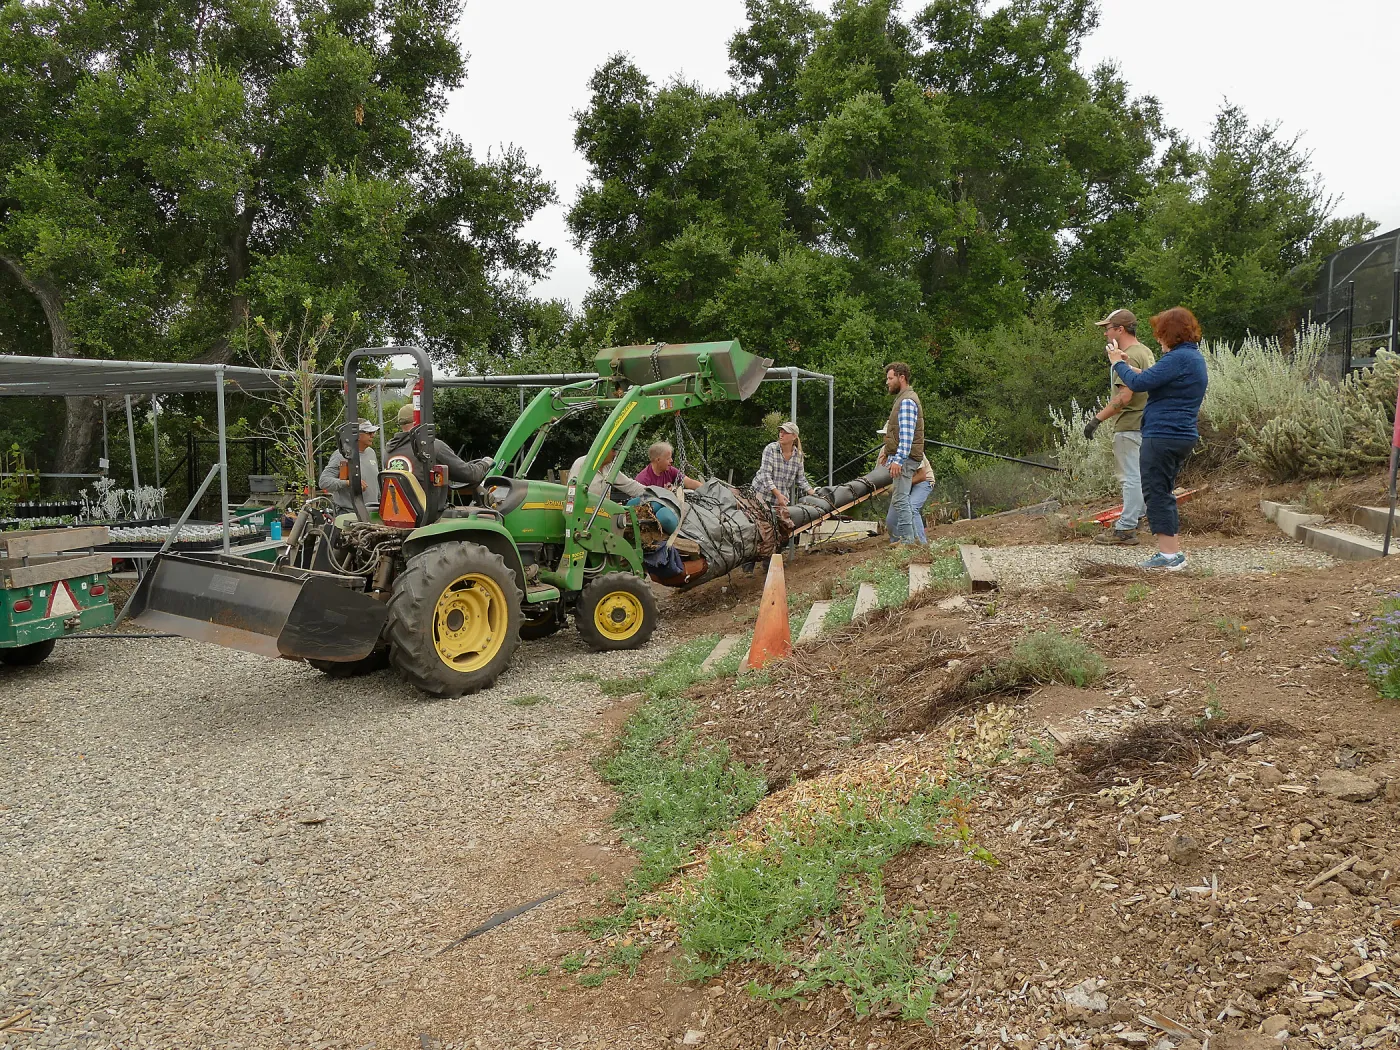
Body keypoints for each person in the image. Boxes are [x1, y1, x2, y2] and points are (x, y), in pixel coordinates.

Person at [1108, 306, 1208, 572]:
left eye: (1161, 333)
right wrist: (1128, 366)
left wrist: (1118, 363)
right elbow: (1150, 378)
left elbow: (1138, 384)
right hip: (1178, 434)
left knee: (1156, 493)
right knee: (1163, 492)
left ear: (1171, 334)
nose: (1158, 338)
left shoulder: (1178, 358)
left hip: (1163, 434)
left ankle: (1168, 555)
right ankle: (1172, 553)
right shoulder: (1190, 357)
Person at [1084, 309, 1156, 546]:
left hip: (1130, 424)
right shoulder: (1145, 351)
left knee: (1129, 477)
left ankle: (1126, 527)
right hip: (1147, 422)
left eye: (1107, 329)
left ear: (1120, 329)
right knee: (1142, 475)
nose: (1105, 334)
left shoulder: (1128, 357)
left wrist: (1096, 420)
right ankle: (1138, 518)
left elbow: (1124, 396)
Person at [570, 445, 680, 534]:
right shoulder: (582, 465)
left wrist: (657, 494)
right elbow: (573, 493)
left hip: (603, 514)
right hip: (584, 516)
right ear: (603, 449)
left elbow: (629, 485)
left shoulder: (610, 468)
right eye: (613, 450)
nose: (615, 454)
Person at [384, 403, 493, 489]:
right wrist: (485, 463)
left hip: (397, 508)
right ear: (420, 420)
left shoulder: (389, 451)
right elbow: (470, 475)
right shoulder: (433, 446)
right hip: (426, 509)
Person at [881, 361, 925, 543]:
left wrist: (898, 460)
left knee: (900, 500)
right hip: (905, 458)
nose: (887, 382)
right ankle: (916, 542)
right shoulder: (904, 399)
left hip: (905, 460)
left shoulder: (906, 401)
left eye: (890, 378)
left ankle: (909, 542)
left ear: (902, 378)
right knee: (902, 500)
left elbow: (906, 436)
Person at [319, 420, 380, 513]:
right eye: (369, 433)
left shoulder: (371, 453)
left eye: (373, 432)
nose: (373, 435)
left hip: (372, 512)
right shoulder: (341, 455)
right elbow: (324, 482)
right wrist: (349, 482)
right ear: (356, 435)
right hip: (349, 513)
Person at [752, 421, 814, 507]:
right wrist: (778, 495)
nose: (781, 435)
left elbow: (801, 479)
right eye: (781, 432)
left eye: (786, 433)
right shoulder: (770, 449)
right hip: (760, 496)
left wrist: (814, 494)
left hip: (780, 500)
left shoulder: (798, 455)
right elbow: (765, 475)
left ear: (794, 436)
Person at [635, 441, 702, 491]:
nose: (671, 460)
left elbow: (689, 482)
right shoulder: (643, 480)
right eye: (668, 458)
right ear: (658, 460)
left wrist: (705, 489)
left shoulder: (670, 470)